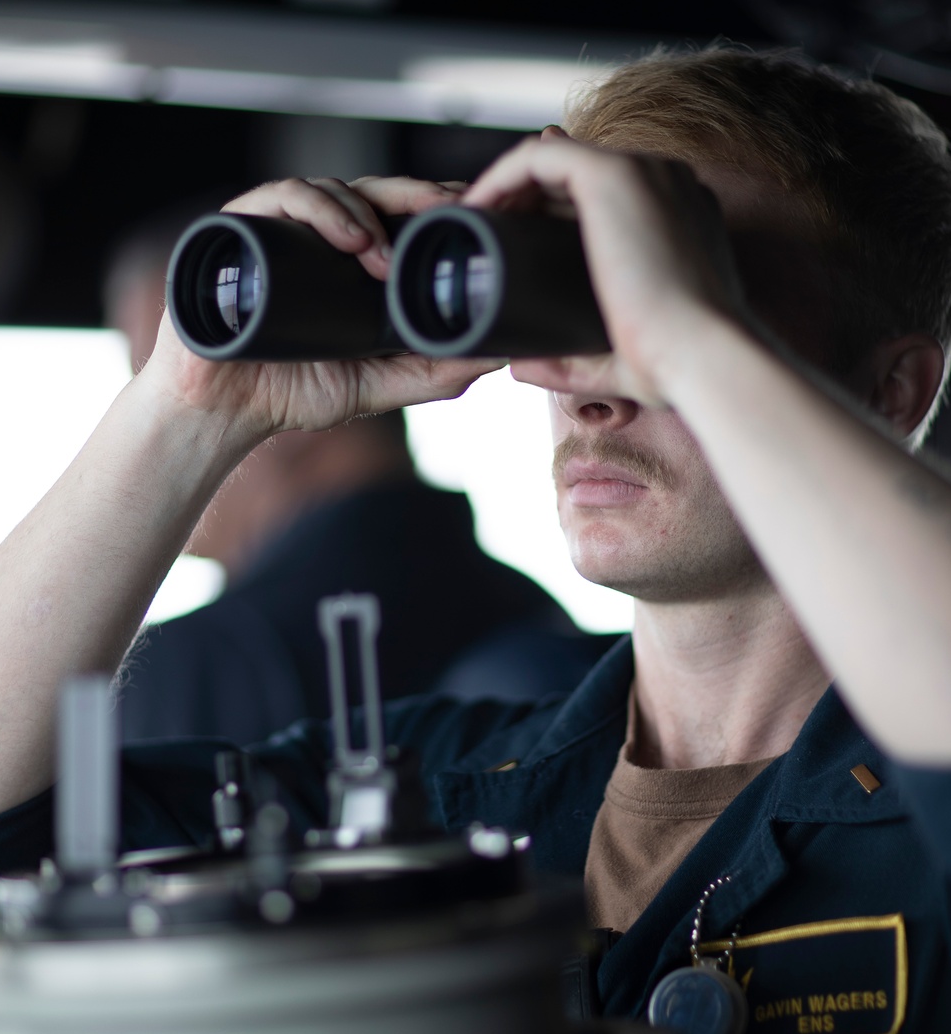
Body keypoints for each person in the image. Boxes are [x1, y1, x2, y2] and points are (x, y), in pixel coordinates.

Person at [0, 47, 951, 1034]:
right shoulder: (429, 795)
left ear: (895, 386)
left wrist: (687, 335)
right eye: (575, 301)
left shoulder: (919, 825)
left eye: (691, 294)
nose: (594, 386)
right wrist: (187, 414)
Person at [102, 208, 610, 742]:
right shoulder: (529, 611)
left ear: (286, 379)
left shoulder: (199, 667)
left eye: (166, 382)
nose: (150, 421)